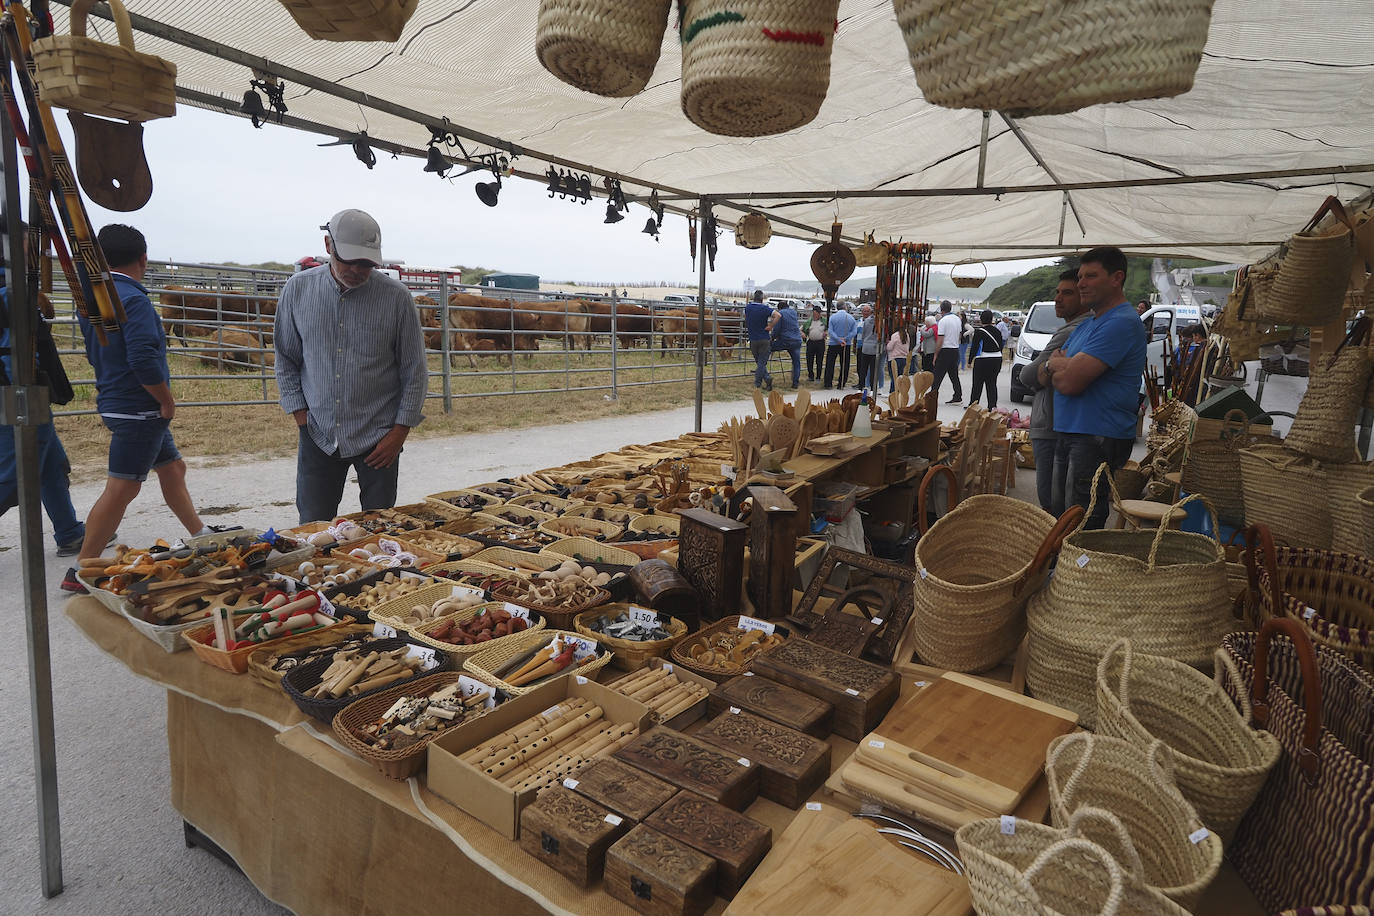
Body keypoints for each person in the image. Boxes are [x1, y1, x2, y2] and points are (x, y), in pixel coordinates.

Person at [68, 224, 211, 590]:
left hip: (117, 398)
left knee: (172, 467)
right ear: (143, 259)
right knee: (122, 489)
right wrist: (165, 399)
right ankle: (83, 569)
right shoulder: (134, 300)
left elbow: (93, 350)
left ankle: (201, 533)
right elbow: (144, 358)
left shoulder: (94, 296)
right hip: (140, 407)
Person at [275, 209, 428, 524]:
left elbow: (414, 371)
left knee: (378, 525)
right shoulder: (297, 290)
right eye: (351, 260)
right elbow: (286, 357)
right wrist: (302, 417)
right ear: (328, 245)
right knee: (313, 525)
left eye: (368, 263)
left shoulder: (397, 299)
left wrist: (399, 432)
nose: (359, 270)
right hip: (318, 431)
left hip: (379, 436)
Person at [0, 218, 100, 559]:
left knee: (50, 463)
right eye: (29, 247)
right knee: (15, 471)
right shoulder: (7, 295)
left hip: (26, 392)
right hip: (18, 395)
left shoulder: (13, 291)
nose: (34, 255)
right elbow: (11, 354)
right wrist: (23, 400)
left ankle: (70, 532)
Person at [1046, 247, 1148, 529]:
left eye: (1091, 276)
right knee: (1061, 515)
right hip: (1075, 431)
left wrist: (1062, 367)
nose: (1081, 283)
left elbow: (1068, 381)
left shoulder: (1121, 322)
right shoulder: (1091, 323)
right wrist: (1061, 367)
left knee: (1081, 518)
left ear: (1117, 278)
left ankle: (1082, 571)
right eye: (1080, 276)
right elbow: (1053, 366)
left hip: (1096, 435)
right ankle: (1063, 570)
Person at [1018, 270, 1089, 515]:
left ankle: (1053, 552)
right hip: (1057, 423)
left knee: (1050, 504)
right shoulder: (1078, 327)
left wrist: (1045, 367)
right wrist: (1046, 366)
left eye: (1067, 293)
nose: (1058, 298)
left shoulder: (1070, 331)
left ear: (1084, 296)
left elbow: (1027, 376)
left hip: (1051, 427)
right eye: (1057, 292)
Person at [967, 309, 1005, 409]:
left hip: (983, 359)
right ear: (991, 319)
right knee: (992, 384)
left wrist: (970, 361)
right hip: (997, 359)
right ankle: (992, 407)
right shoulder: (997, 331)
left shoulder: (979, 332)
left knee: (977, 384)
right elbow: (1001, 346)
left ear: (981, 319)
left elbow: (974, 347)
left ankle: (973, 405)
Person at [931, 301, 964, 404]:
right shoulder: (957, 319)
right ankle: (958, 396)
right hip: (955, 349)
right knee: (954, 375)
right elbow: (959, 335)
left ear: (942, 310)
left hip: (945, 350)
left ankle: (932, 396)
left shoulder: (943, 321)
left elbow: (940, 339)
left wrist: (936, 354)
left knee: (937, 375)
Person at [766, 299, 802, 389]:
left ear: (779, 308)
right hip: (797, 340)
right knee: (796, 362)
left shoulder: (780, 313)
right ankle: (795, 383)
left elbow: (777, 329)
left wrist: (772, 338)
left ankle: (763, 371)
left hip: (786, 340)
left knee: (767, 349)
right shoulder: (793, 312)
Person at [743, 290, 773, 391]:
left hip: (753, 338)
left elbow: (746, 319)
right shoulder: (765, 308)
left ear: (753, 298)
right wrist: (771, 326)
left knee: (759, 362)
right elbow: (778, 315)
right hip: (764, 338)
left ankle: (763, 382)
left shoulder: (748, 308)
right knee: (761, 363)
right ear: (762, 299)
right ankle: (762, 381)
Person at [823, 304, 858, 389]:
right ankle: (841, 383)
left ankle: (828, 383)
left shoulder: (833, 317)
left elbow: (830, 331)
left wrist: (838, 339)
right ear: (845, 307)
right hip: (846, 344)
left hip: (833, 343)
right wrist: (845, 339)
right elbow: (854, 332)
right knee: (845, 364)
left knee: (830, 363)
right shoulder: (851, 318)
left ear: (837, 307)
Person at [856, 304, 879, 390]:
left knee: (863, 368)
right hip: (874, 347)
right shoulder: (880, 322)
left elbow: (863, 334)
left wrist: (865, 340)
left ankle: (861, 387)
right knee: (873, 369)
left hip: (865, 346)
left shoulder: (866, 321)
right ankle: (872, 388)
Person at [802, 305, 826, 382]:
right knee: (809, 360)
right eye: (814, 313)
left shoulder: (824, 321)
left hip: (820, 342)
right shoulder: (809, 322)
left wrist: (826, 333)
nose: (815, 315)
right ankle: (811, 376)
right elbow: (801, 329)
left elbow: (829, 329)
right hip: (811, 342)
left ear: (819, 313)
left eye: (816, 313)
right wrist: (803, 334)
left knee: (819, 361)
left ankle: (818, 376)